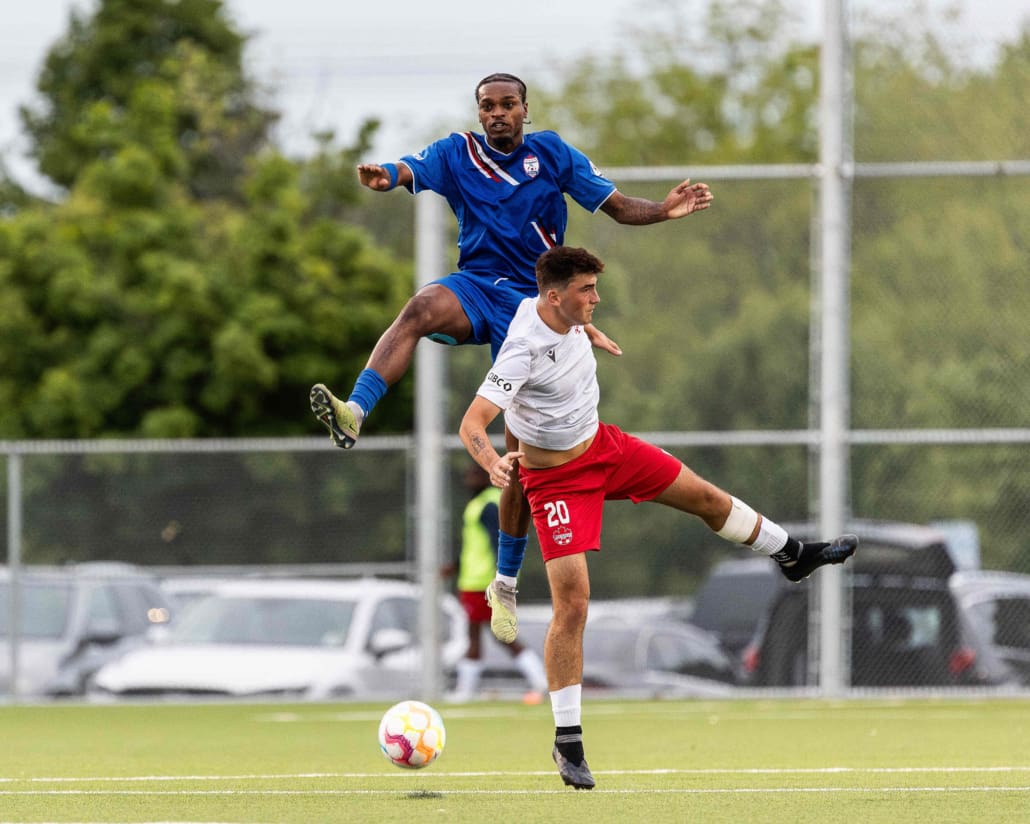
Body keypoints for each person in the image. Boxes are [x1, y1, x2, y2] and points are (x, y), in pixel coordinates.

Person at [309, 72, 714, 642]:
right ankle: (355, 409)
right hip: (477, 285)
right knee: (421, 307)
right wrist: (387, 176)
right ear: (479, 112)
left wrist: (664, 211)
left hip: (536, 308)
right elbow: (410, 168)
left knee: (521, 461)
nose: (497, 113)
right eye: (487, 106)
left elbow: (618, 207)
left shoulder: (551, 154)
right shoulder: (457, 153)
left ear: (525, 108)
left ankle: (504, 582)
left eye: (507, 104)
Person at [458, 246, 859, 790]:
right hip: (556, 481)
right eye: (587, 291)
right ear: (555, 296)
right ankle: (567, 740)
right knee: (573, 601)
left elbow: (565, 327)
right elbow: (473, 423)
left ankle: (792, 554)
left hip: (605, 448)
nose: (597, 298)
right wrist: (493, 462)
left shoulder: (561, 314)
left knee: (706, 498)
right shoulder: (521, 349)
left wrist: (586, 329)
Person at [447, 462, 548, 703]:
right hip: (473, 580)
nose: (468, 479)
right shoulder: (479, 503)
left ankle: (466, 691)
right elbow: (473, 546)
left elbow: (498, 541)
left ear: (486, 476)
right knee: (495, 635)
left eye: (474, 474)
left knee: (485, 635)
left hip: (483, 583)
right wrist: (455, 566)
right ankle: (539, 679)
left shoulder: (490, 504)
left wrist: (500, 577)